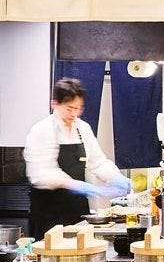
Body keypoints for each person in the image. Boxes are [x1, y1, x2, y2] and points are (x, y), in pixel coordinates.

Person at [24, 76, 132, 238]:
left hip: (77, 212)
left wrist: (115, 177)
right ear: (55, 104)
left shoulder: (82, 128)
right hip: (48, 214)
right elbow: (41, 174)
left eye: (78, 108)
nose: (74, 113)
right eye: (69, 108)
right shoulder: (42, 130)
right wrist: (77, 185)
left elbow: (98, 162)